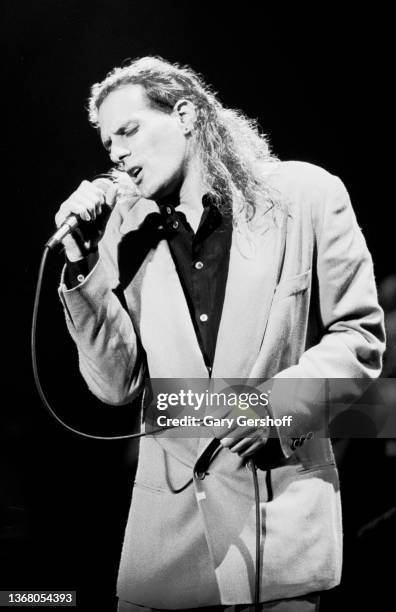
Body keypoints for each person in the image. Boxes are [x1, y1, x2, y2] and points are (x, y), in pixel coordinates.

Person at [55, 57, 385, 611]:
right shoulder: (126, 234)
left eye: (129, 130)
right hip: (166, 540)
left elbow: (360, 337)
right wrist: (85, 270)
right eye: (108, 142)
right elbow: (117, 385)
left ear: (186, 115)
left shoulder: (305, 194)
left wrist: (276, 408)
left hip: (276, 530)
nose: (116, 153)